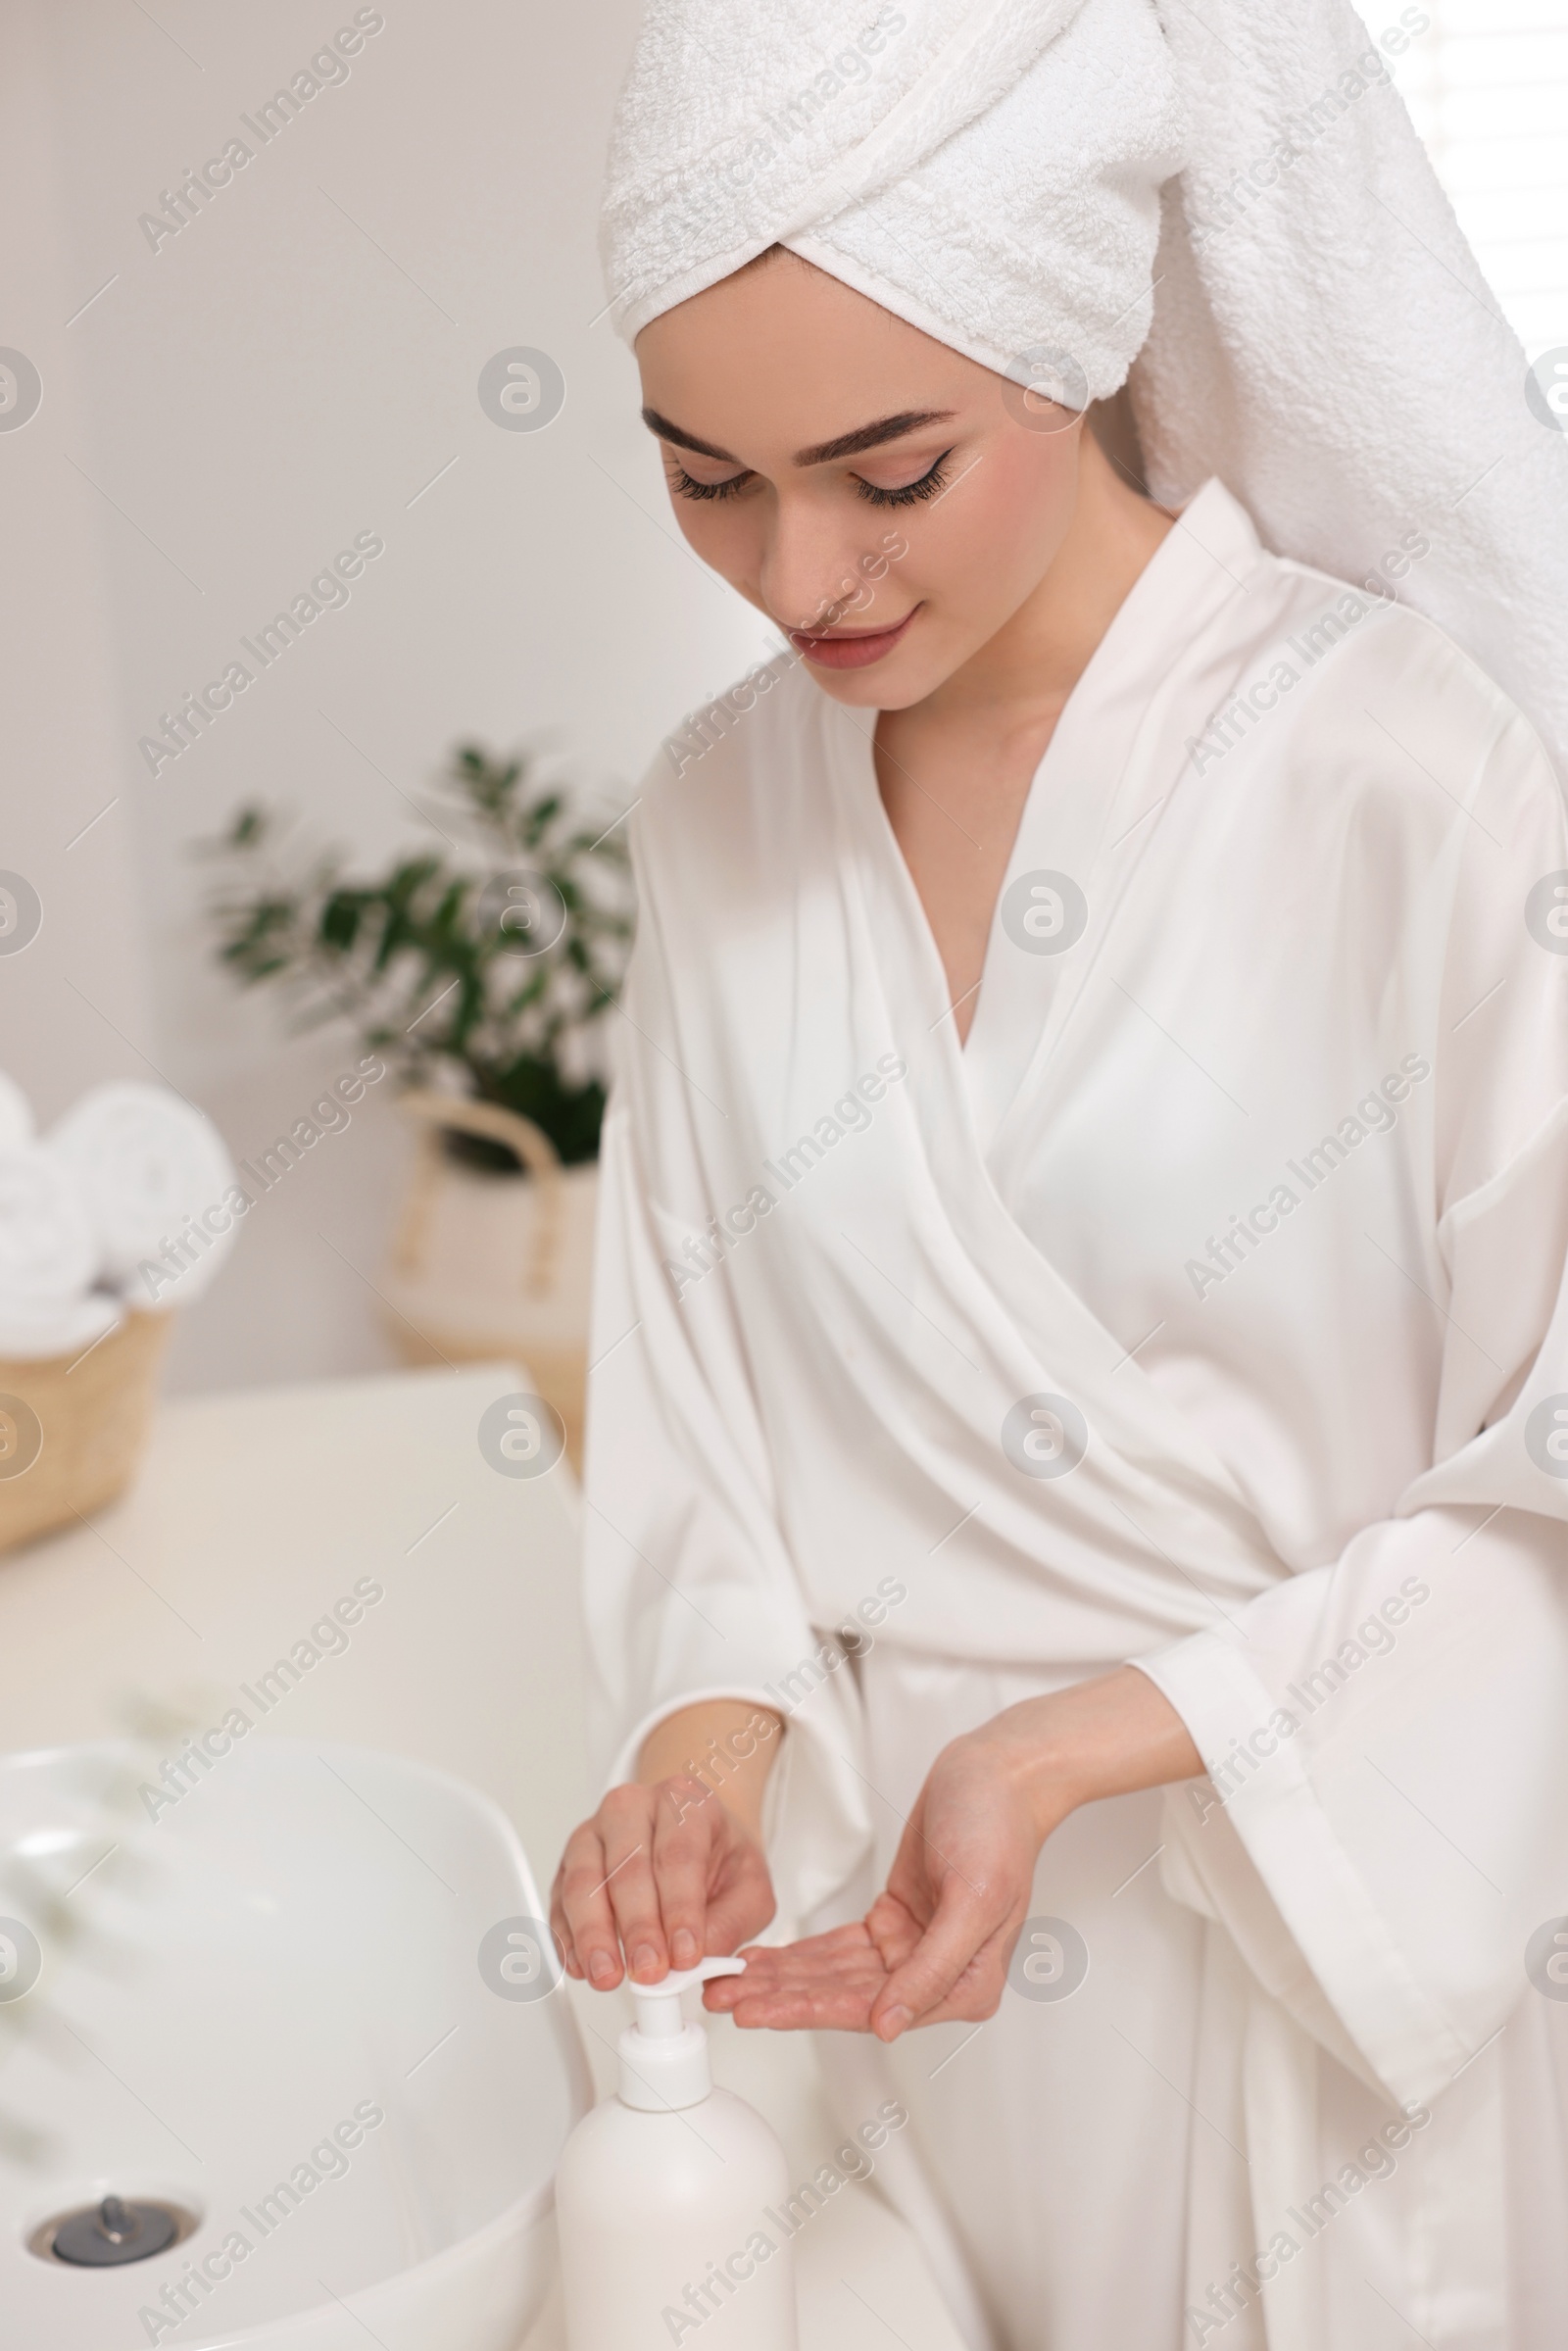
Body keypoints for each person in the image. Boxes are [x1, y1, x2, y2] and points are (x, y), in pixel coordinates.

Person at [551, 2, 1568, 2344]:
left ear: (1070, 349)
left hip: (1310, 1935)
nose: (793, 573)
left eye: (885, 471)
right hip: (908, 1991)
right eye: (703, 475)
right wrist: (707, 1738)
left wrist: (1094, 1740)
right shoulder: (717, 818)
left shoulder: (1400, 774)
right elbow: (691, 1414)